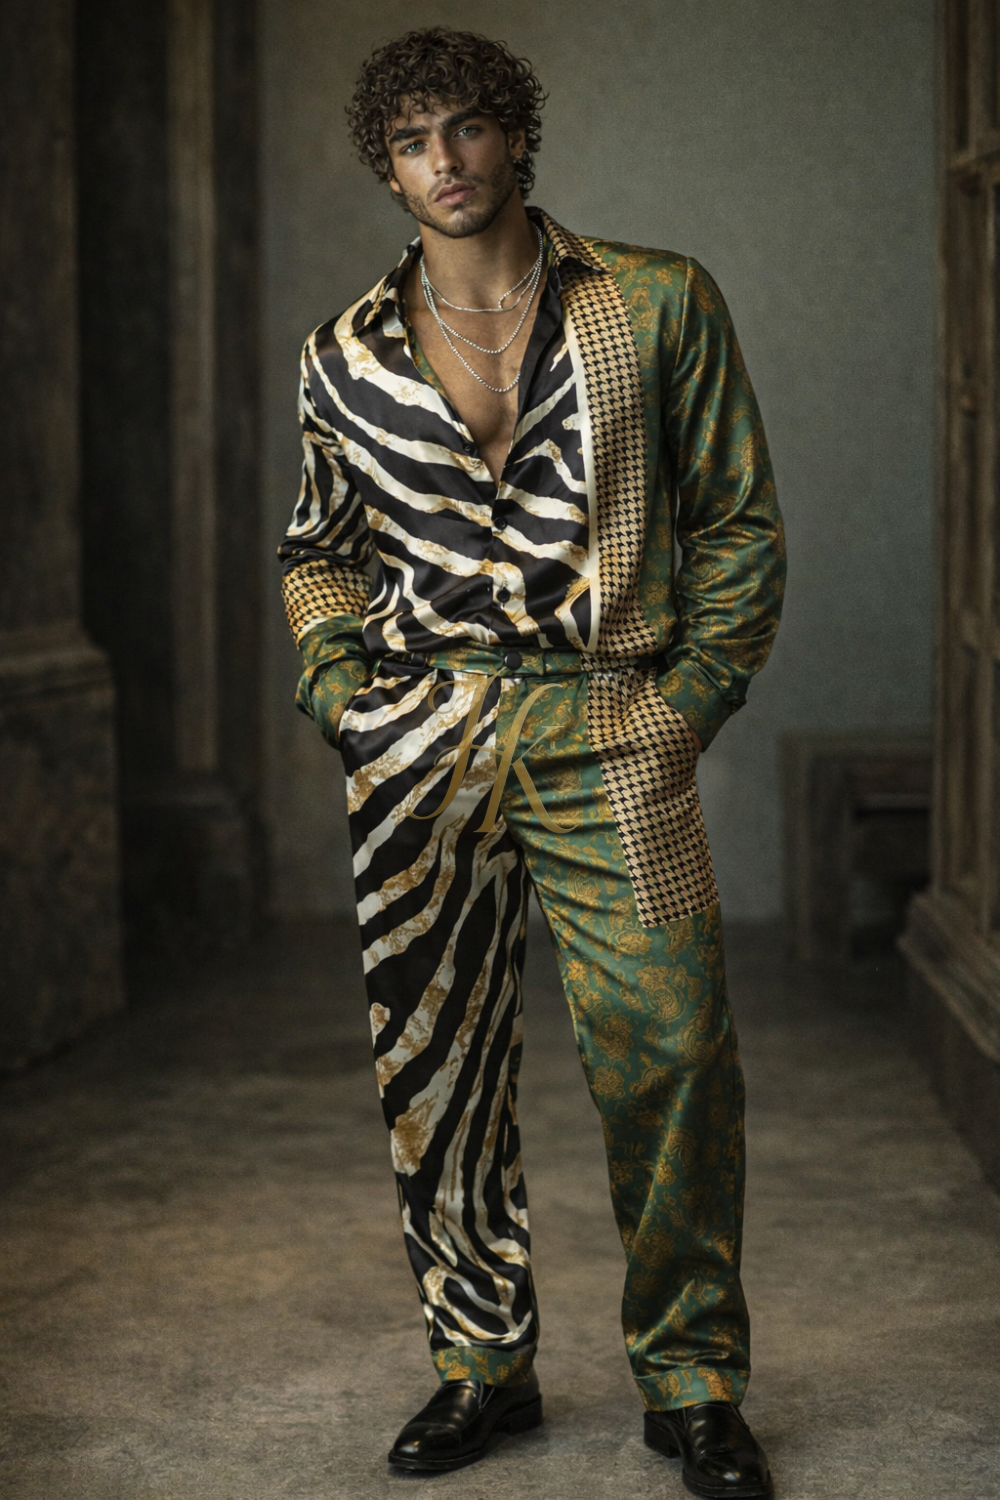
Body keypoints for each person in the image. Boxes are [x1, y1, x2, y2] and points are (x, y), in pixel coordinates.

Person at [277, 26, 786, 1497]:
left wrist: (690, 700)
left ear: (514, 133)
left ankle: (693, 1383)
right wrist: (341, 690)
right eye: (413, 140)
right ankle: (481, 1365)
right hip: (418, 739)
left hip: (609, 721)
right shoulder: (341, 356)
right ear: (388, 168)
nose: (445, 161)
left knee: (675, 1049)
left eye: (467, 127)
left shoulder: (655, 299)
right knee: (438, 1072)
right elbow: (320, 551)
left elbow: (737, 522)